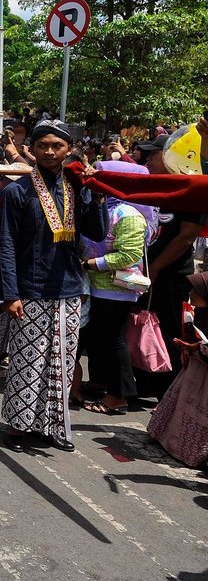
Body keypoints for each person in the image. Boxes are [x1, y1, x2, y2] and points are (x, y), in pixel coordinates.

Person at [0, 118, 108, 453]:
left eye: (56, 145)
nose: (48, 151)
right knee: (27, 360)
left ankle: (50, 425)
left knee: (60, 361)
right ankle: (18, 426)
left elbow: (98, 233)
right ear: (30, 149)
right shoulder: (17, 191)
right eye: (42, 145)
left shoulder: (78, 187)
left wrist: (98, 197)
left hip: (70, 288)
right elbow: (7, 245)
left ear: (69, 149)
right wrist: (11, 293)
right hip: (31, 289)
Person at [135, 134, 203, 398]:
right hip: (149, 272)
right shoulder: (159, 188)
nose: (149, 160)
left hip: (172, 276)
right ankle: (148, 381)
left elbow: (186, 236)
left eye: (154, 155)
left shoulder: (190, 190)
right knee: (146, 328)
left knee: (171, 331)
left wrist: (157, 266)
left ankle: (172, 392)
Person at [81, 161, 151, 415]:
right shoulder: (102, 207)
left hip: (117, 288)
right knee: (100, 339)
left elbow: (129, 255)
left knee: (113, 340)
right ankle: (103, 383)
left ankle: (119, 395)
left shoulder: (128, 214)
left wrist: (91, 263)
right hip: (97, 286)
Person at [147, 270, 208, 467]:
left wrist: (198, 348)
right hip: (194, 369)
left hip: (204, 377)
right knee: (180, 403)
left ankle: (193, 452)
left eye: (196, 290)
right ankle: (167, 438)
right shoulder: (198, 312)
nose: (190, 292)